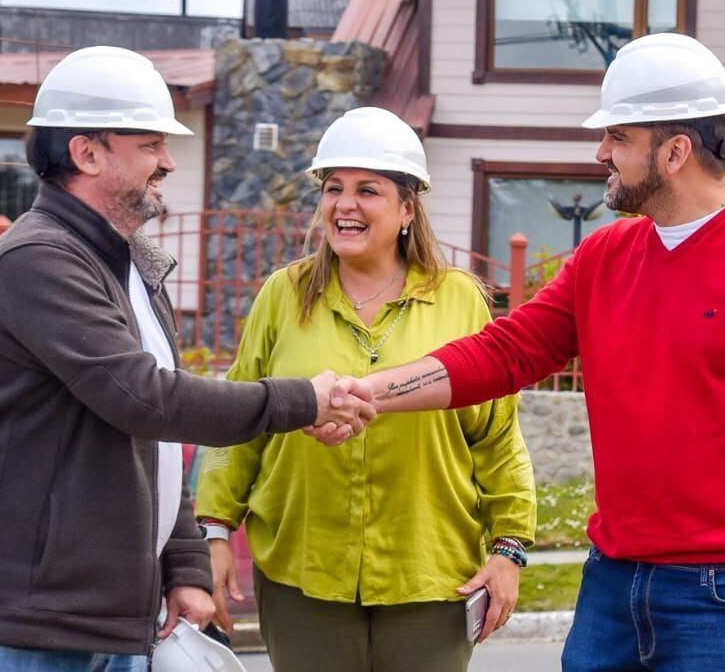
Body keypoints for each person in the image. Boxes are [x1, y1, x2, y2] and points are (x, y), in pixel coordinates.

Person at [317, 34, 725, 671]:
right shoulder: (603, 258)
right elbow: (507, 352)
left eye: (618, 138)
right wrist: (368, 391)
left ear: (674, 152)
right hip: (614, 584)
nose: (601, 152)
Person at [0, 46, 373, 671]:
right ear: (86, 152)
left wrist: (181, 565)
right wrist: (302, 399)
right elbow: (146, 398)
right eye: (149, 144)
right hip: (9, 626)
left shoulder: (130, 265)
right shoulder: (37, 258)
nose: (168, 161)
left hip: (98, 619)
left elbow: (151, 437)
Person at [195, 107, 536, 672]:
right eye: (333, 189)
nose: (344, 205)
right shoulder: (283, 294)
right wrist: (212, 534)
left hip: (430, 576)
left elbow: (497, 439)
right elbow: (241, 420)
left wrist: (509, 549)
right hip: (303, 572)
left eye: (367, 190)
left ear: (407, 208)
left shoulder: (460, 301)